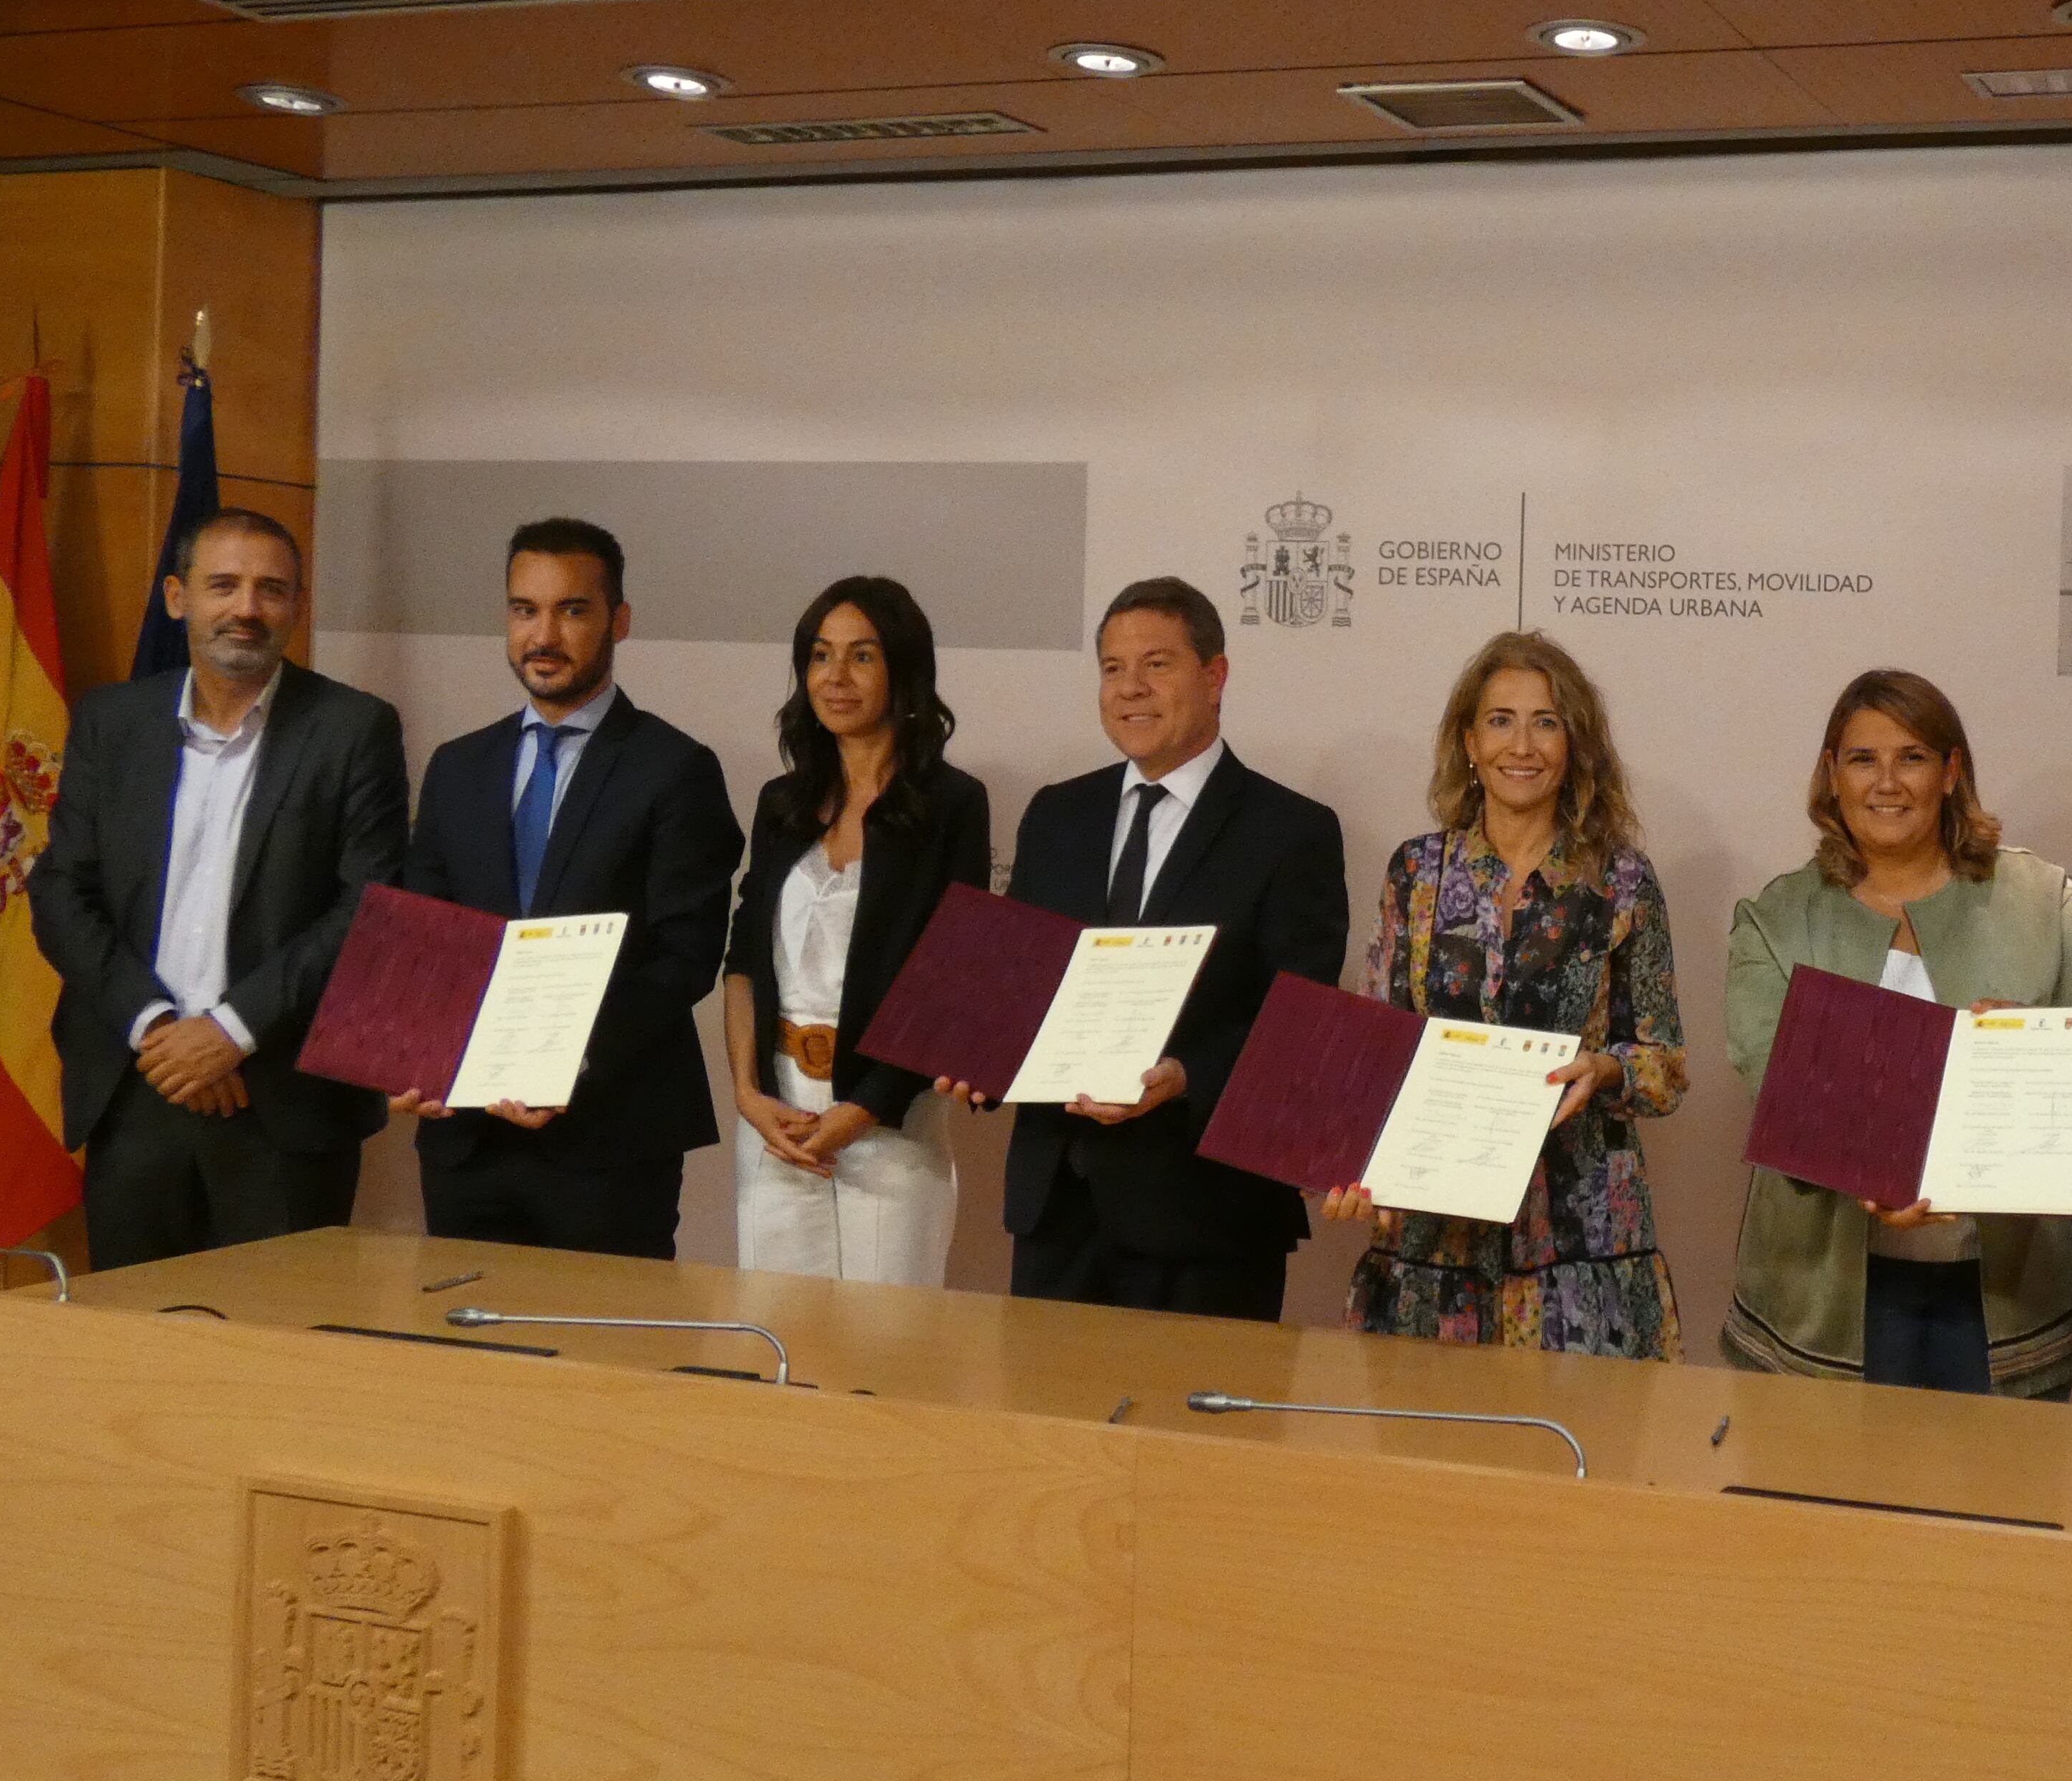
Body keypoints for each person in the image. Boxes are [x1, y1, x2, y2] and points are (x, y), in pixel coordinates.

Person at [1723, 668, 2072, 1396]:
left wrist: (2034, 1047)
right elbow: (1771, 1082)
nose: (1887, 782)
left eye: (1911, 757)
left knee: (1998, 1506)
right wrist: (1868, 1169)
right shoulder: (1776, 919)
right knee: (1831, 1508)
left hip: (2006, 1299)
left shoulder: (2040, 899)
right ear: (1830, 776)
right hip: (1825, 1298)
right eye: (1862, 759)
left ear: (1951, 772)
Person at [30, 510, 409, 1269]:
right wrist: (159, 1029)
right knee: (134, 1347)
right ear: (177, 597)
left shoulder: (353, 728)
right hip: (138, 1089)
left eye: (271, 590)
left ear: (297, 607)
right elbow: (62, 893)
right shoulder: (112, 721)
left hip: (282, 1101)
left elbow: (369, 908)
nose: (246, 608)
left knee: (275, 1359)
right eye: (223, 586)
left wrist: (231, 1031)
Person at [985, 576, 1346, 1320]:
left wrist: (1186, 1075)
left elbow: (1298, 1022)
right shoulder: (1058, 815)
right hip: (1057, 1209)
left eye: (1157, 664)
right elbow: (1017, 985)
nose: (1130, 690)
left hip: (1207, 1219)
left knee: (1192, 1438)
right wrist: (978, 1056)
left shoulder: (1290, 831)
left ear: (1215, 676)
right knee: (1045, 1437)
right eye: (1112, 669)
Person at [1321, 630, 1686, 1357]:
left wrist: (1606, 1068)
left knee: (1576, 1461)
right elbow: (1377, 1047)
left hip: (1579, 1246)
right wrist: (1350, 1160)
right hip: (1433, 1247)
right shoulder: (1417, 873)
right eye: (1501, 720)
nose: (1522, 744)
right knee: (1431, 1465)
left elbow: (1665, 1065)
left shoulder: (1621, 881)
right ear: (1468, 741)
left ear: (1574, 744)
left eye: (1546, 722)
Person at [395, 518, 742, 1259]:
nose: (543, 635)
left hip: (608, 1135)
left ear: (619, 620)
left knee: (601, 1367)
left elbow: (684, 956)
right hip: (466, 1137)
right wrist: (417, 1052)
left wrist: (568, 1063)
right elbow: (425, 939)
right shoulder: (457, 768)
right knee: (464, 1364)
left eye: (571, 610)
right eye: (525, 609)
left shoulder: (675, 768)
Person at [719, 577, 993, 1286]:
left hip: (889, 1121)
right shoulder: (782, 803)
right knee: (777, 1342)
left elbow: (956, 977)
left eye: (862, 657)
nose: (835, 678)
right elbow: (745, 958)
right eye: (819, 656)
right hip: (776, 1116)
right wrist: (749, 1095)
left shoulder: (952, 805)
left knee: (883, 1358)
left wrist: (866, 1106)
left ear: (904, 673)